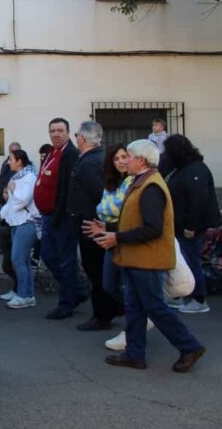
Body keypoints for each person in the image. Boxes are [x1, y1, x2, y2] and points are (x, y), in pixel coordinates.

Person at [89, 140, 206, 373]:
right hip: (136, 258)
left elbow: (153, 228)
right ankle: (135, 354)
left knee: (154, 306)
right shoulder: (140, 182)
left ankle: (189, 346)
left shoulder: (151, 187)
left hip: (148, 260)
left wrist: (116, 238)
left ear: (141, 160)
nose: (125, 161)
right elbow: (135, 220)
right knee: (135, 307)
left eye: (129, 157)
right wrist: (108, 228)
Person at [82, 144, 142, 351]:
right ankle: (136, 317)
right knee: (108, 284)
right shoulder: (111, 184)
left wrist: (106, 223)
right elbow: (106, 209)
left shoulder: (134, 182)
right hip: (109, 238)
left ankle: (133, 329)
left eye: (125, 156)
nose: (122, 161)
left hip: (125, 239)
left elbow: (122, 212)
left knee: (128, 287)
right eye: (117, 159)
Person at [69, 121, 119, 331]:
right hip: (94, 224)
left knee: (96, 272)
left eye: (78, 135)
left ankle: (103, 316)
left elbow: (99, 195)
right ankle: (109, 310)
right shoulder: (97, 158)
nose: (76, 138)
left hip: (92, 226)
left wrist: (99, 223)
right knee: (98, 272)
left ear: (82, 138)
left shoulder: (90, 163)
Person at [164, 134, 221, 314]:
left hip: (190, 227)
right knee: (183, 261)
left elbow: (198, 201)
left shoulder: (194, 170)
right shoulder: (184, 168)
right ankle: (181, 295)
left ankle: (199, 298)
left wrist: (191, 227)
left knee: (191, 261)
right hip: (182, 225)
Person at [34, 118, 84, 320]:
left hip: (60, 218)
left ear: (68, 132)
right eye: (52, 131)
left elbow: (67, 189)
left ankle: (67, 303)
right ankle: (77, 291)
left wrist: (57, 215)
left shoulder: (70, 155)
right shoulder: (51, 153)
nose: (56, 134)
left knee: (65, 261)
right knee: (48, 256)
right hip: (47, 217)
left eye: (60, 130)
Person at [0, 149, 39, 309]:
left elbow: (22, 201)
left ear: (19, 161)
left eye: (11, 159)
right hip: (17, 223)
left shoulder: (29, 177)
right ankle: (25, 293)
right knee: (23, 261)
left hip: (26, 223)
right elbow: (12, 202)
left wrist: (12, 190)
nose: (9, 162)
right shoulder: (18, 177)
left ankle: (24, 295)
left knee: (18, 260)